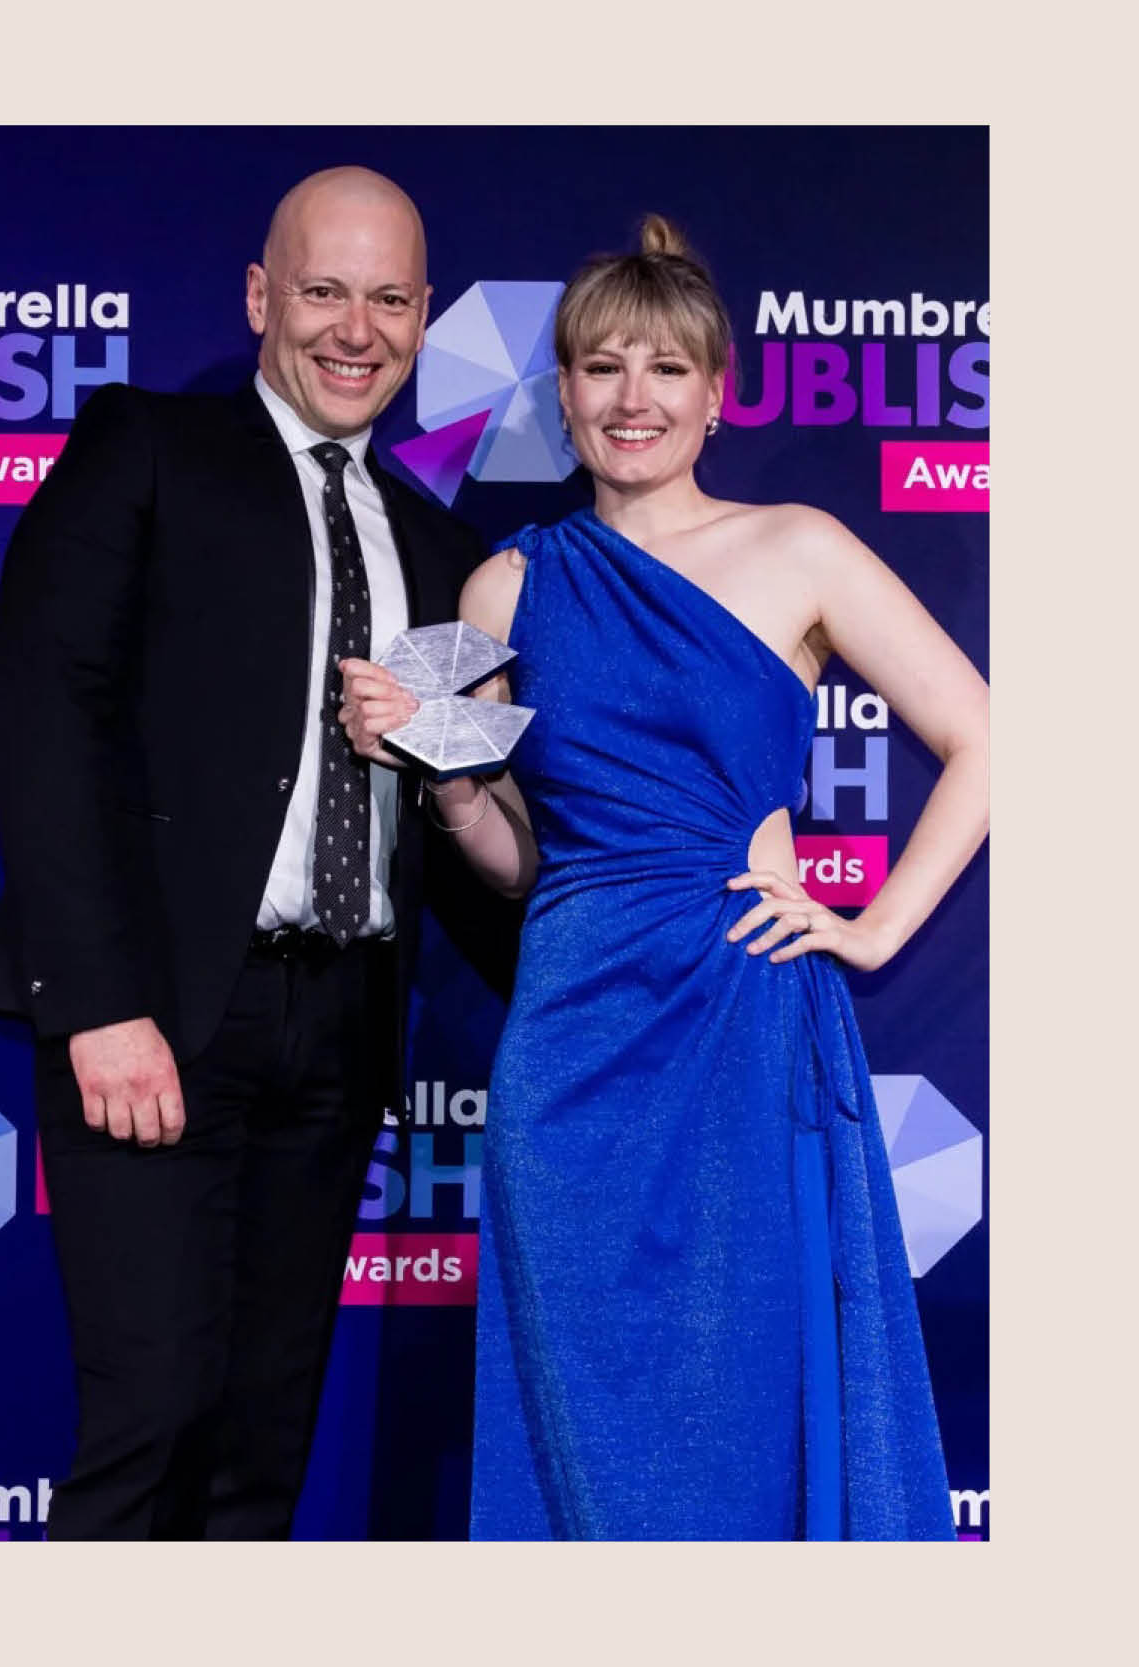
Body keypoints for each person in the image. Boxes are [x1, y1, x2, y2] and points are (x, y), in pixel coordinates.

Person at [340, 216, 985, 1539]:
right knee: (580, 1414)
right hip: (568, 1046)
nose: (633, 400)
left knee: (745, 1397)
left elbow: (985, 735)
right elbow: (522, 855)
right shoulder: (506, 587)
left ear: (717, 392)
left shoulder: (800, 547)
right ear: (560, 391)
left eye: (666, 370)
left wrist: (870, 930)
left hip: (741, 1018)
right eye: (601, 368)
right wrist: (448, 776)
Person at [0, 166, 488, 1539]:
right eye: (324, 290)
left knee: (265, 1456)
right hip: (162, 1012)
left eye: (389, 298)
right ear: (263, 295)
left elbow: (475, 826)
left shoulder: (443, 547)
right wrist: (97, 1002)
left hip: (342, 1026)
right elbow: (45, 709)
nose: (355, 328)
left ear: (427, 317)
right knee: (149, 1429)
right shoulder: (146, 448)